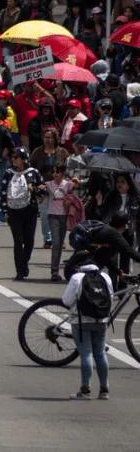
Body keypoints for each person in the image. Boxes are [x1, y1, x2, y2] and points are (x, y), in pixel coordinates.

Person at [62, 263, 112, 400]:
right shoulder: (105, 277)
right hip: (101, 320)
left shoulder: (77, 277)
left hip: (81, 320)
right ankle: (104, 390)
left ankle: (85, 390)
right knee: (101, 353)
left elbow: (67, 301)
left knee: (86, 353)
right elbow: (110, 297)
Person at [0, 147, 47, 280]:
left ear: (23, 159)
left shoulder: (33, 173)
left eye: (16, 157)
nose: (13, 159)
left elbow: (42, 191)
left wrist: (35, 189)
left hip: (29, 210)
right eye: (12, 157)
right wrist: (4, 210)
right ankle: (19, 270)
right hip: (13, 210)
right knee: (18, 240)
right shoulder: (8, 173)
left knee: (29, 240)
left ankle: (24, 262)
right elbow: (3, 192)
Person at [89, 173, 140, 275]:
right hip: (114, 230)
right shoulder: (111, 196)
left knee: (125, 258)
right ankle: (112, 286)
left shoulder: (135, 198)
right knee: (112, 259)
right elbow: (102, 213)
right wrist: (99, 202)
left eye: (122, 182)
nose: (119, 184)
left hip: (128, 231)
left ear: (128, 185)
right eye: (118, 182)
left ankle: (123, 284)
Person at [29, 128, 69, 249]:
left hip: (59, 188)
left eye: (50, 137)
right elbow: (31, 169)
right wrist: (35, 187)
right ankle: (48, 239)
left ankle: (60, 239)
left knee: (60, 215)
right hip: (43, 188)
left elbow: (68, 169)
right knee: (45, 214)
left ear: (55, 139)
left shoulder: (63, 152)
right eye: (45, 137)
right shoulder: (37, 152)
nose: (47, 139)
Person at [46, 165, 79, 281]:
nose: (55, 174)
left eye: (58, 172)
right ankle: (54, 271)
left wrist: (75, 181)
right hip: (53, 216)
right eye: (54, 171)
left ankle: (56, 270)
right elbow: (41, 190)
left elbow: (75, 190)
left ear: (63, 173)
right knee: (55, 243)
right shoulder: (49, 184)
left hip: (64, 216)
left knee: (60, 243)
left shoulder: (67, 184)